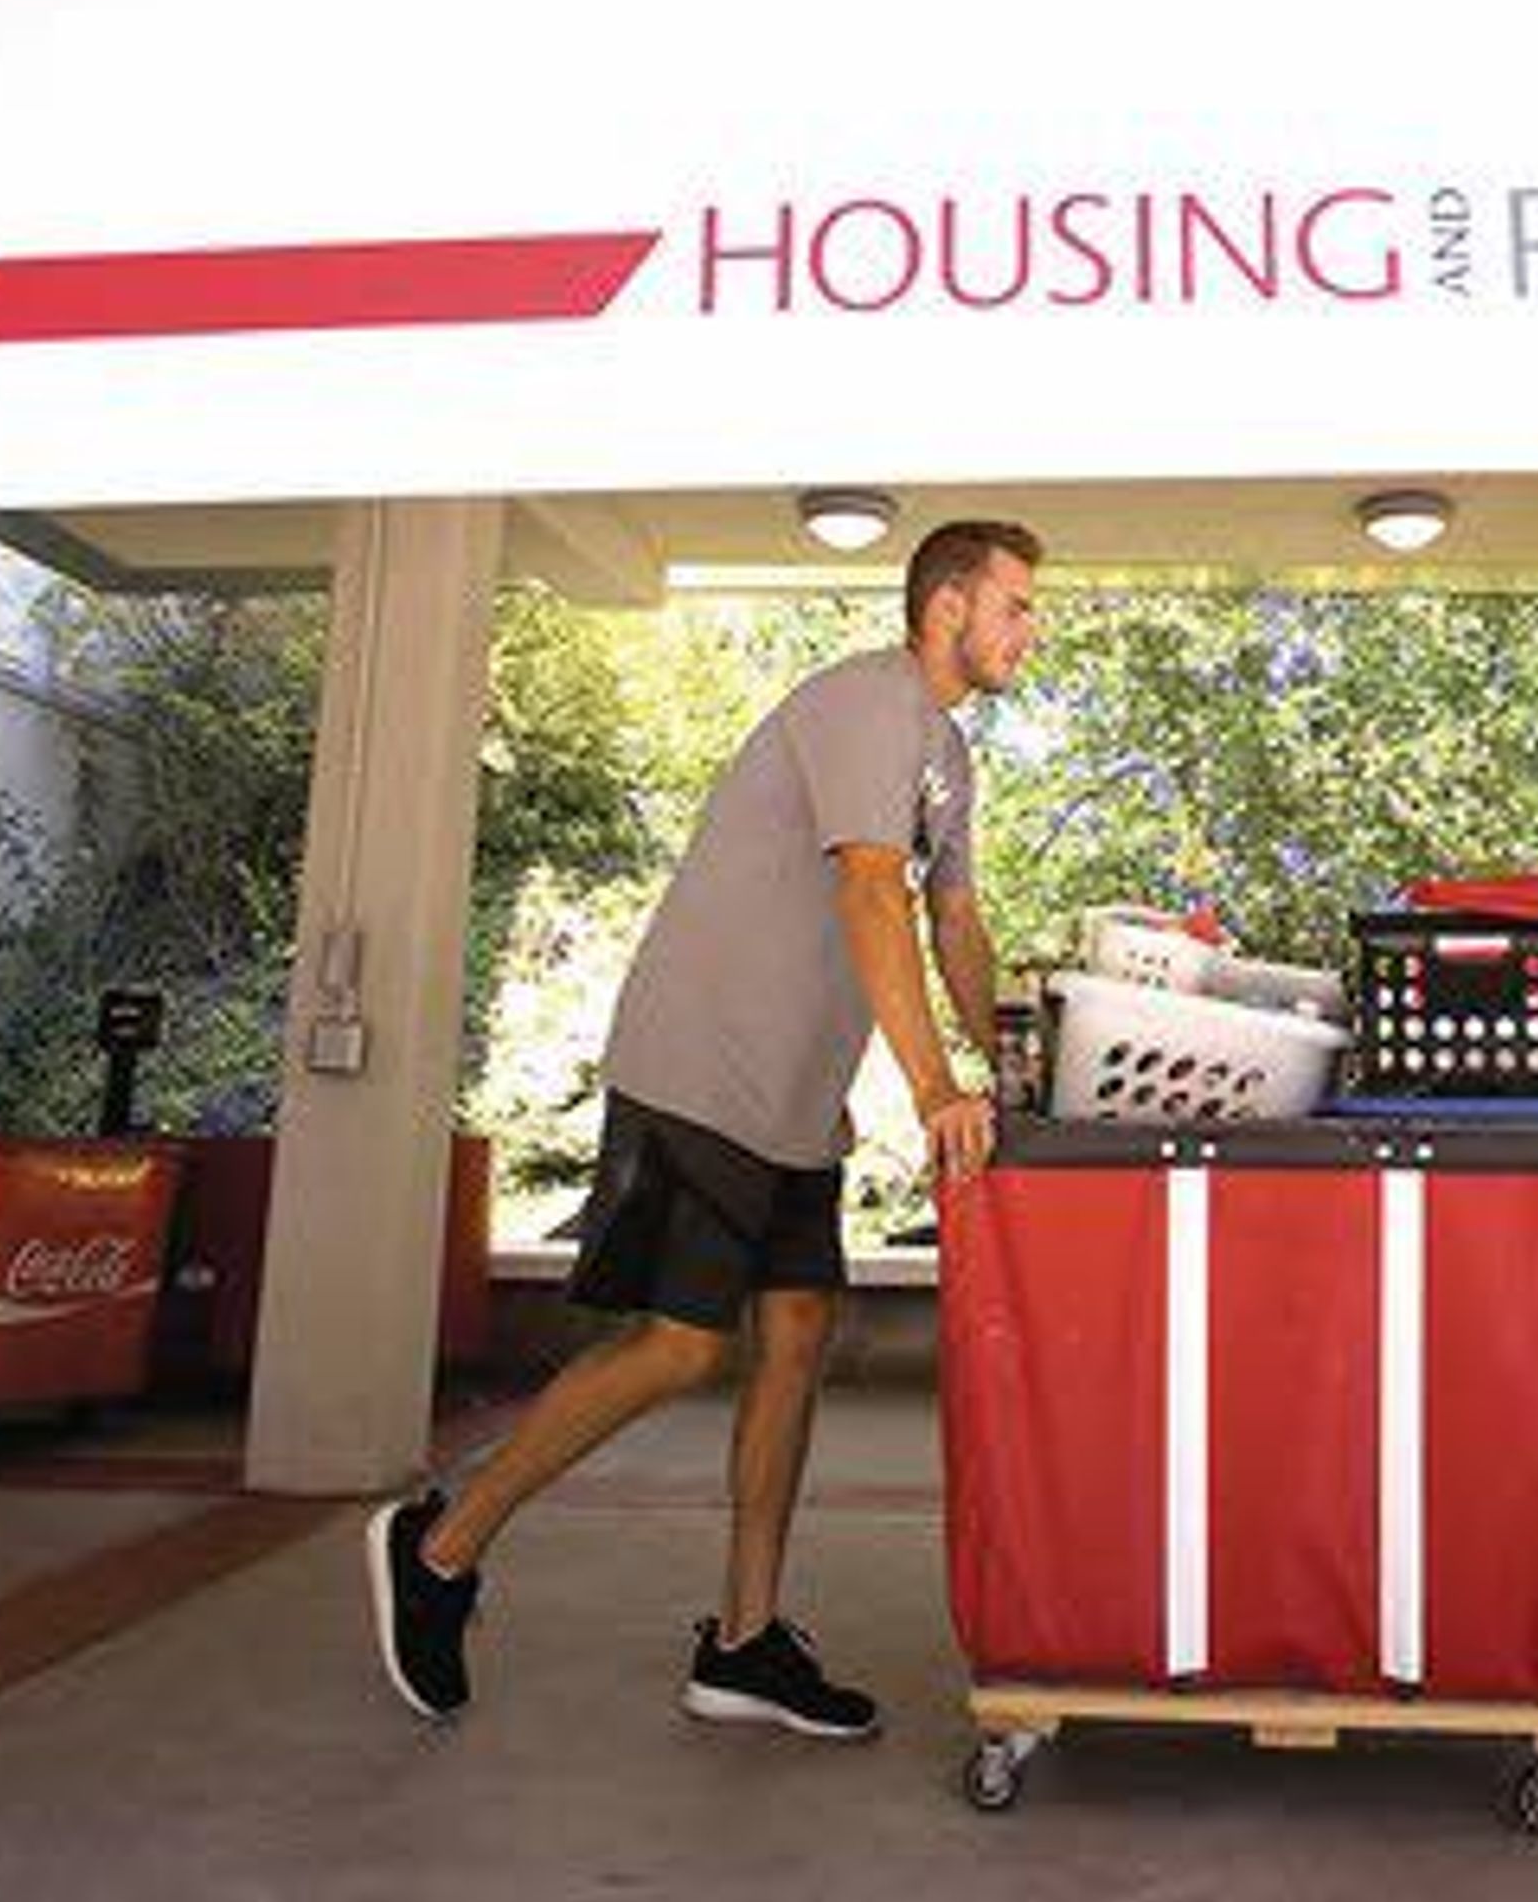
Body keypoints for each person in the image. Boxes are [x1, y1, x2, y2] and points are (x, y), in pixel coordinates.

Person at [366, 520, 1042, 1738]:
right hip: (703, 1066)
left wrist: (1012, 1053)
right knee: (681, 1346)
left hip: (793, 1098)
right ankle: (441, 1546)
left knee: (794, 1337)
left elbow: (952, 918)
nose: (1027, 631)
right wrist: (937, 1087)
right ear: (947, 606)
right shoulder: (867, 703)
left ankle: (741, 1641)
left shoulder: (946, 753)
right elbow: (866, 889)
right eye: (1015, 607)